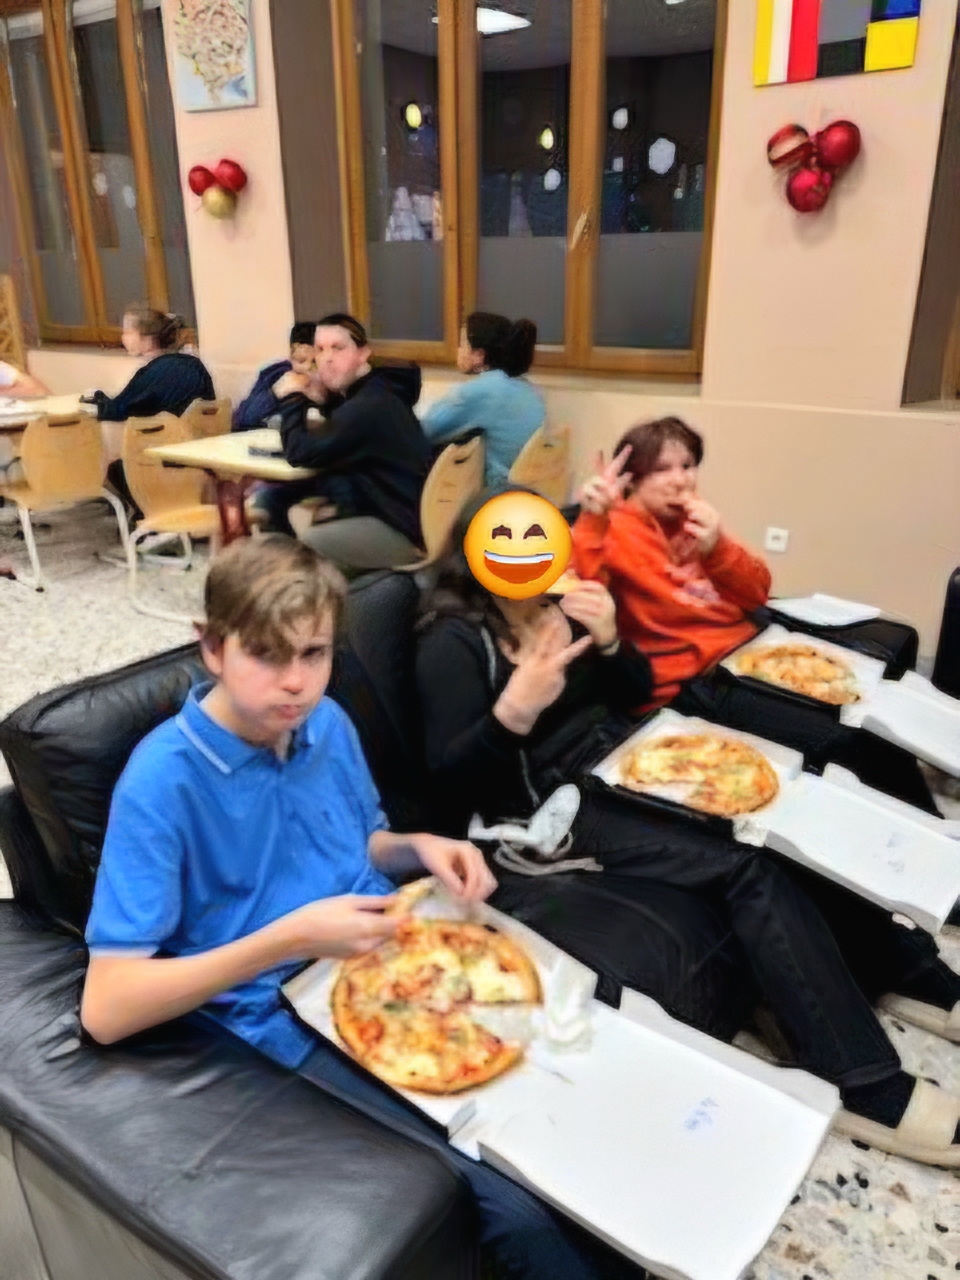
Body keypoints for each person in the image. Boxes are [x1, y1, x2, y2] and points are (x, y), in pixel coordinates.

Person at [80, 534, 640, 1280]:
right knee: (518, 1208)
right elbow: (106, 1008)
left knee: (582, 1065)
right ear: (211, 648)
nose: (295, 683)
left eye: (314, 654)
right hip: (283, 1014)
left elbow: (360, 844)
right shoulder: (161, 782)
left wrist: (420, 847)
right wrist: (287, 939)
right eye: (267, 656)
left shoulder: (325, 723)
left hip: (399, 956)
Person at [415, 492, 960, 1166]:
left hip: (625, 758)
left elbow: (632, 692)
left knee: (779, 820)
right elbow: (453, 786)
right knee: (749, 866)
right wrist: (512, 715)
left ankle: (900, 964)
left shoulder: (559, 602)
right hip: (543, 814)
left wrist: (610, 640)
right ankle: (865, 1084)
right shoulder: (453, 641)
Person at [571, 417, 939, 813]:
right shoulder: (613, 529)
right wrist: (592, 519)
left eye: (688, 465)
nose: (681, 479)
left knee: (870, 712)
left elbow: (757, 591)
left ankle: (933, 818)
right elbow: (584, 587)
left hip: (751, 651)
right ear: (632, 479)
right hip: (699, 680)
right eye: (663, 469)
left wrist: (717, 546)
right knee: (846, 741)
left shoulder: (692, 519)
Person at [271, 314, 432, 572]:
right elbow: (345, 434)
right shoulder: (381, 389)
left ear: (363, 353)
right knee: (276, 497)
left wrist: (292, 399)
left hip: (399, 529)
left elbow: (300, 453)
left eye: (338, 348)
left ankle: (301, 588)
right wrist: (326, 401)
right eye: (320, 350)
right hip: (406, 515)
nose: (327, 358)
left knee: (311, 540)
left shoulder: (367, 407)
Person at [421, 312, 544, 487]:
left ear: (479, 355)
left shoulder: (483, 390)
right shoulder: (529, 389)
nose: (458, 350)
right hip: (531, 491)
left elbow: (425, 432)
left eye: (462, 344)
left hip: (501, 493)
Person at [85, 306, 214, 424]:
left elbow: (124, 410)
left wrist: (96, 404)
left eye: (127, 332)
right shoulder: (191, 363)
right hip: (202, 433)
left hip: (170, 436)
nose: (123, 338)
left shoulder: (160, 371)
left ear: (146, 337)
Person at [231, 321, 317, 432]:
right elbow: (242, 419)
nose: (307, 367)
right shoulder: (274, 374)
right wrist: (276, 392)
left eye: (315, 362)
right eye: (301, 360)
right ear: (291, 354)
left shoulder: (329, 379)